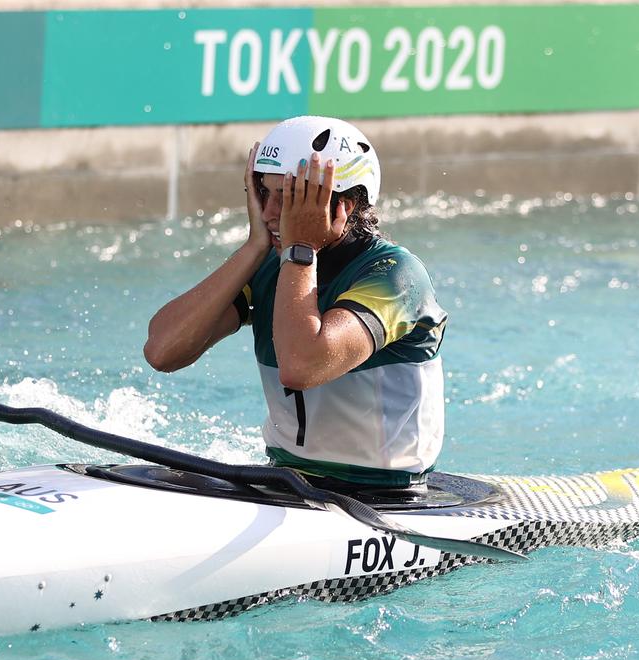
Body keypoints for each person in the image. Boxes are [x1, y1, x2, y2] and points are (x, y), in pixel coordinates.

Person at [143, 116, 447, 489]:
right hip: (285, 480)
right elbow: (162, 351)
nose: (270, 212)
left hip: (383, 494)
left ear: (344, 206)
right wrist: (254, 247)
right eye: (263, 194)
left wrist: (299, 250)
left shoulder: (396, 275)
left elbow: (302, 366)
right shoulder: (270, 263)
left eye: (288, 198)